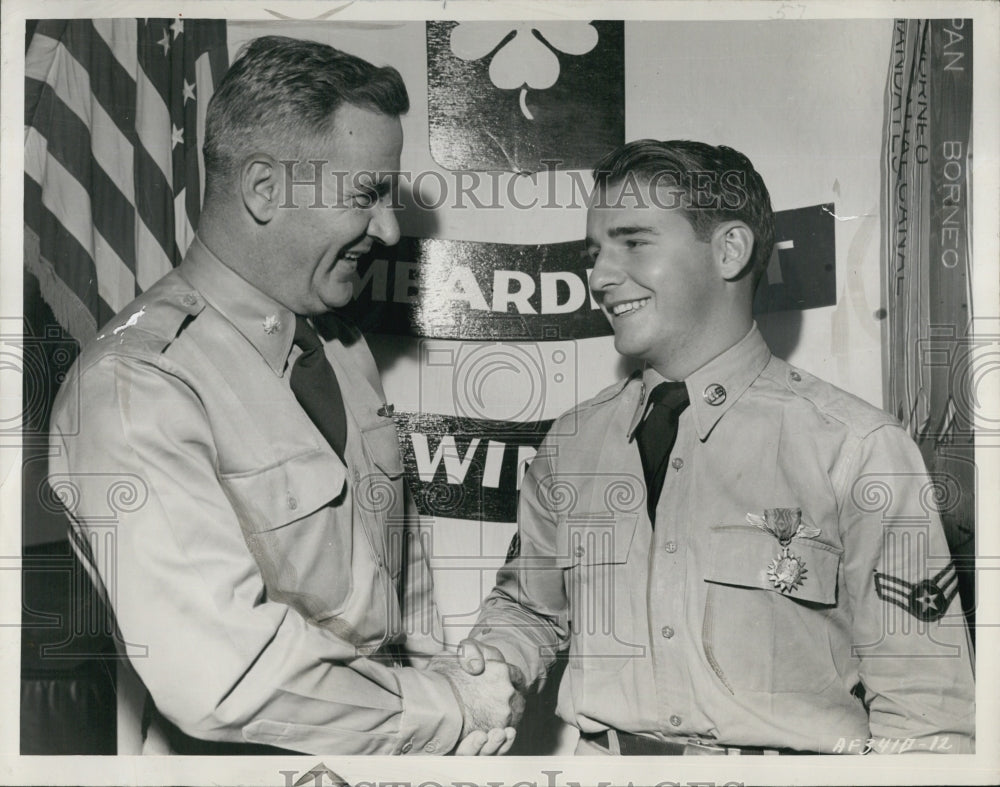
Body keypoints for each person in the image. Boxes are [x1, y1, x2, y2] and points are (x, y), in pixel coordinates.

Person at [48, 36, 520, 756]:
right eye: (367, 195)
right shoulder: (137, 387)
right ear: (264, 189)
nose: (390, 230)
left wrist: (450, 697)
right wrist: (444, 710)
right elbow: (223, 673)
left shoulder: (339, 347)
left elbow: (403, 594)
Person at [450, 140, 975, 755]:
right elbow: (532, 612)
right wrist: (493, 664)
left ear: (729, 250)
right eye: (595, 253)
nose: (598, 276)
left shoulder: (857, 448)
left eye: (634, 242)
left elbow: (928, 718)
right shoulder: (570, 444)